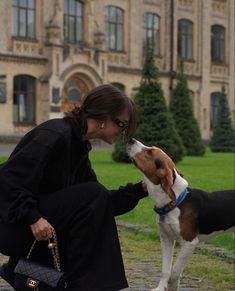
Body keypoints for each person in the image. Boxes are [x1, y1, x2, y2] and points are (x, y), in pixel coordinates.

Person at [0, 84, 148, 291]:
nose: (123, 133)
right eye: (122, 125)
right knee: (92, 194)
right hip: (12, 226)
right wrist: (32, 217)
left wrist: (143, 188)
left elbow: (102, 203)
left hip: (39, 233)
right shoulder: (55, 134)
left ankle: (23, 271)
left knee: (94, 196)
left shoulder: (78, 146)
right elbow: (8, 179)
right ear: (104, 118)